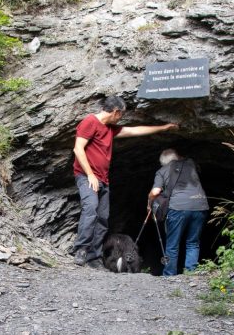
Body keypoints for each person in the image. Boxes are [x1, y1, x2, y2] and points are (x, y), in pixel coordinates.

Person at [73, 95, 178, 268]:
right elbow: (78, 149)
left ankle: (94, 257)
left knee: (103, 218)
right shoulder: (90, 122)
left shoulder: (110, 129)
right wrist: (90, 174)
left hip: (103, 180)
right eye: (121, 114)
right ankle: (82, 250)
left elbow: (135, 130)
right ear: (115, 112)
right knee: (90, 208)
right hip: (87, 177)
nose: (121, 117)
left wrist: (164, 127)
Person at [148, 148, 209, 276]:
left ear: (163, 162)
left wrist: (149, 203)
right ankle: (190, 273)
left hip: (178, 207)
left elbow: (155, 192)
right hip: (200, 205)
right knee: (193, 243)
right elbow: (184, 157)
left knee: (172, 244)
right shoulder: (191, 163)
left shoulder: (162, 170)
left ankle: (170, 274)